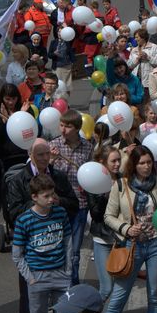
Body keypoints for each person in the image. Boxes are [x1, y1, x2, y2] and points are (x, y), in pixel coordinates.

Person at [7, 138, 78, 313]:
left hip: (58, 258)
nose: (45, 157)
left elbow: (74, 205)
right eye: (40, 154)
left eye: (48, 153)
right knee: (30, 306)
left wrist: (58, 201)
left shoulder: (59, 176)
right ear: (30, 155)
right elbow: (13, 214)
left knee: (62, 308)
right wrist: (39, 205)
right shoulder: (18, 180)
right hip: (34, 260)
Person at [103, 146, 157, 313]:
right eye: (142, 163)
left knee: (155, 295)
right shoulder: (121, 185)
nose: (147, 166)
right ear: (134, 165)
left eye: (149, 162)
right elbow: (108, 216)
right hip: (130, 245)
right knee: (120, 295)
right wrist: (126, 229)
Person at [12, 174, 72, 313]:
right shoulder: (24, 220)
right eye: (46, 196)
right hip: (37, 275)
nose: (52, 199)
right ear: (34, 197)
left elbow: (68, 243)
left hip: (61, 274)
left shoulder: (61, 213)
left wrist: (68, 269)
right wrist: (30, 278)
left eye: (52, 194)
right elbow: (17, 254)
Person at [49, 109, 94, 285]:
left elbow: (92, 173)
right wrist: (51, 160)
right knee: (58, 247)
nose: (63, 130)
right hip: (58, 204)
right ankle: (58, 283)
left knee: (74, 251)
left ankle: (73, 285)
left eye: (67, 126)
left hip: (80, 204)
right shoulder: (54, 145)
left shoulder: (88, 147)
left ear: (77, 128)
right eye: (61, 125)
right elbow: (45, 177)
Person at [87, 146, 122, 303]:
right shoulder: (94, 181)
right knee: (106, 288)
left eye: (119, 160)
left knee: (120, 288)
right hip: (103, 240)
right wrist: (106, 195)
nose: (117, 164)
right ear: (102, 162)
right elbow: (95, 213)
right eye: (113, 161)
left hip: (122, 239)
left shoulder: (124, 179)